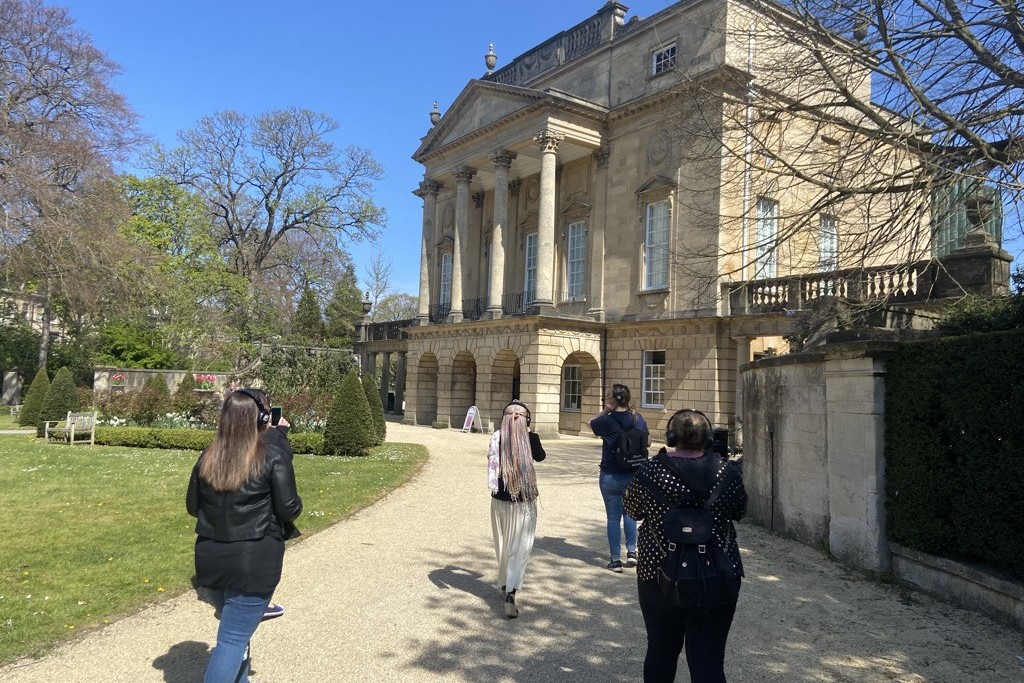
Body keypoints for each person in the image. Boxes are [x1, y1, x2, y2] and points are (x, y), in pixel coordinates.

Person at [186, 389, 303, 683]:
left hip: (211, 558)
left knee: (235, 635)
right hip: (253, 561)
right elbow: (290, 509)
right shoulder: (272, 456)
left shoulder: (207, 457)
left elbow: (192, 507)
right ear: (263, 419)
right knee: (232, 640)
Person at [624, 408, 747, 683]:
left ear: (671, 437)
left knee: (661, 651)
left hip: (659, 571)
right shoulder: (726, 471)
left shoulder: (650, 471)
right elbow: (739, 510)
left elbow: (632, 509)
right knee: (709, 658)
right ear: (708, 438)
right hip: (717, 569)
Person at [488, 399, 546, 618]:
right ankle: (511, 591)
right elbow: (540, 456)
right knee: (520, 546)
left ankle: (505, 583)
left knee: (503, 544)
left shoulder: (497, 437)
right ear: (526, 420)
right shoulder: (531, 438)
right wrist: (529, 433)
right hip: (523, 500)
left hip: (500, 499)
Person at [589, 384, 650, 572]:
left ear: (613, 399)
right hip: (632, 474)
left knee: (613, 518)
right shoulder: (637, 419)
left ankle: (615, 560)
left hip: (610, 474)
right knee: (629, 513)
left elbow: (591, 423)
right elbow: (647, 442)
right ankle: (632, 552)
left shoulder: (607, 420)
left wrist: (606, 411)